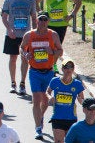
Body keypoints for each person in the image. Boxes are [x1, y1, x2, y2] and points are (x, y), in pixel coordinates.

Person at [20, 11, 64, 140]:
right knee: (36, 99)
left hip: (49, 71)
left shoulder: (53, 35)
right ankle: (38, 127)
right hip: (34, 71)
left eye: (45, 20)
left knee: (45, 101)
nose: (43, 22)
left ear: (48, 21)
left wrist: (53, 52)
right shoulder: (29, 35)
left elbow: (60, 51)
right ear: (37, 21)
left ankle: (40, 116)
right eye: (41, 19)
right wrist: (25, 54)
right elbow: (22, 47)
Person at [35, 0, 82, 73]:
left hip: (62, 24)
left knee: (57, 46)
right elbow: (36, 1)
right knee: (49, 45)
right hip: (50, 24)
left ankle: (53, 65)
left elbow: (78, 1)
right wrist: (41, 13)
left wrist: (71, 15)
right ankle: (48, 65)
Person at [2, 0, 37, 95]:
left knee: (24, 58)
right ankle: (13, 83)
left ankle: (22, 83)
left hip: (25, 35)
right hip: (12, 34)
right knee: (13, 58)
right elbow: (4, 17)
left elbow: (34, 18)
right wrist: (9, 30)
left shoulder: (31, 0)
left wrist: (34, 32)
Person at [46, 58, 85, 143]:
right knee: (59, 141)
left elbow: (82, 99)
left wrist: (80, 100)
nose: (69, 69)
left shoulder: (77, 84)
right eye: (66, 67)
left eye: (71, 67)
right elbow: (48, 91)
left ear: (73, 69)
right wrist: (50, 97)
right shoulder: (55, 81)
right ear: (62, 69)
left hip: (71, 118)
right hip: (57, 117)